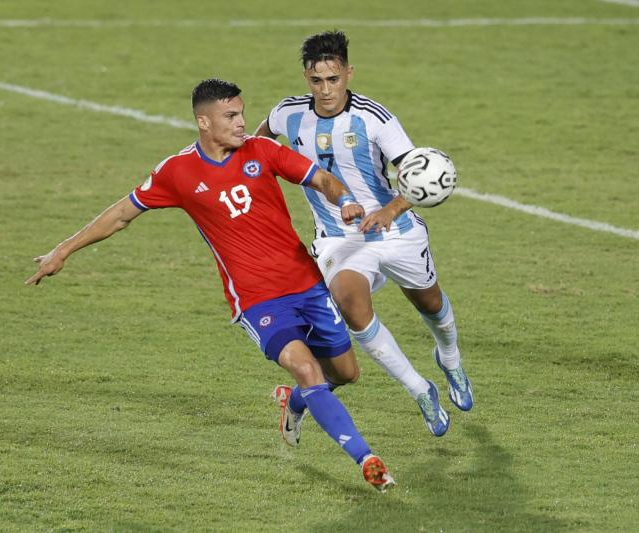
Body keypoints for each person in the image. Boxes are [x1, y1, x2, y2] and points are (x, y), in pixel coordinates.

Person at [26, 78, 395, 492]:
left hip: (306, 284)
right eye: (231, 116)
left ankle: (293, 401)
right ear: (204, 122)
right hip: (256, 298)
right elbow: (121, 215)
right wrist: (64, 250)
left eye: (241, 113)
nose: (242, 123)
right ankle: (368, 460)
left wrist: (344, 199)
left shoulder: (263, 151)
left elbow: (321, 179)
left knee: (345, 374)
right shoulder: (177, 172)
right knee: (307, 367)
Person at [255, 31, 473, 439]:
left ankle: (449, 358)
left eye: (333, 79)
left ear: (348, 73)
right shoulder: (287, 114)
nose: (325, 90)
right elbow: (256, 144)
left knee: (432, 305)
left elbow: (417, 175)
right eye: (316, 81)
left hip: (397, 231)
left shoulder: (375, 117)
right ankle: (420, 389)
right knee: (349, 300)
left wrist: (389, 210)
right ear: (306, 77)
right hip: (339, 239)